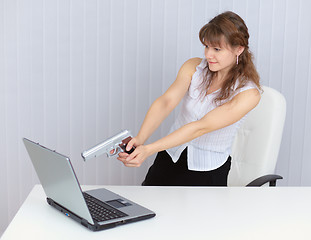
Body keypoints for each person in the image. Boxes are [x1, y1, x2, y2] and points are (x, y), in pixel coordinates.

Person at [117, 11, 261, 186]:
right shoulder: (193, 67)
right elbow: (166, 102)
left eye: (217, 49)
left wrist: (148, 149)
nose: (208, 55)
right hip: (170, 155)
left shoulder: (248, 93)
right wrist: (140, 139)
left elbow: (200, 127)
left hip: (208, 170)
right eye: (207, 46)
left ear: (238, 49)